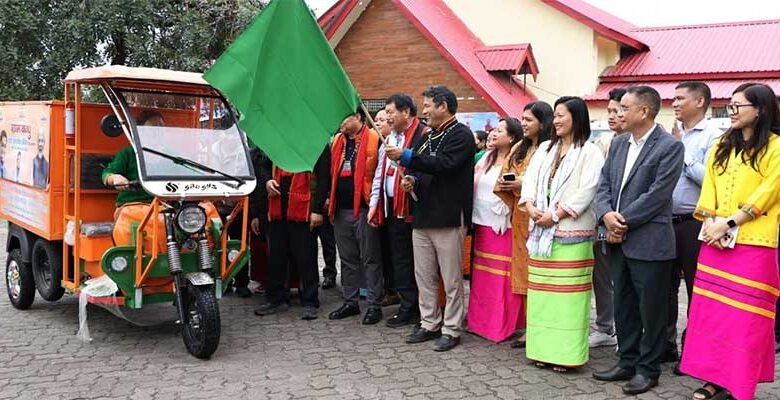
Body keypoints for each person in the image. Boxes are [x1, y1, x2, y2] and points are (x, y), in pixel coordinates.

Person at [679, 83, 780, 400]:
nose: (732, 112)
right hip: (715, 241)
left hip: (755, 243)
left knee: (745, 319)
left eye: (739, 106)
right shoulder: (723, 144)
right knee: (712, 315)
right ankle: (712, 379)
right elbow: (709, 185)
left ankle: (740, 382)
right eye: (731, 106)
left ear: (760, 109)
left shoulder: (776, 147)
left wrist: (730, 223)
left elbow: (769, 192)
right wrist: (710, 222)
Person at [592, 86, 684, 395]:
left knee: (651, 308)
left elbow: (658, 195)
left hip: (649, 239)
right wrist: (606, 215)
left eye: (624, 108)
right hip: (617, 237)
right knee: (625, 303)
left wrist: (622, 220)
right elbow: (603, 184)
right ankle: (626, 360)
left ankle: (648, 368)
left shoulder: (669, 146)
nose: (618, 113)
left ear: (643, 111)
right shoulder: (619, 144)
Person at [385, 85, 475, 352]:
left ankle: (452, 328)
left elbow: (444, 165)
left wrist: (408, 157)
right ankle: (429, 322)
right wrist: (411, 180)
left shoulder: (461, 135)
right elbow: (424, 169)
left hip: (448, 215)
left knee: (451, 278)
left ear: (443, 106)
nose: (423, 111)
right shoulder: (427, 136)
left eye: (427, 106)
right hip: (423, 216)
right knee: (423, 275)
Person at [519, 96, 604, 372]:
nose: (555, 120)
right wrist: (531, 206)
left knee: (569, 299)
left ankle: (566, 356)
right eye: (554, 115)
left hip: (571, 234)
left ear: (576, 117)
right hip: (541, 233)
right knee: (543, 297)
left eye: (560, 115)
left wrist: (556, 215)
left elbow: (588, 190)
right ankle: (542, 350)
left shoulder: (590, 152)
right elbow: (530, 180)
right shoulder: (544, 148)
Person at [665, 81, 722, 373]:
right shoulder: (675, 134)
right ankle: (666, 346)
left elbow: (710, 179)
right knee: (665, 287)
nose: (674, 103)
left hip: (694, 222)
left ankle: (693, 352)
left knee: (696, 289)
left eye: (679, 98)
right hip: (666, 221)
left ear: (700, 102)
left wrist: (681, 153)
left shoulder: (714, 136)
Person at [495, 102, 553, 349]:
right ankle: (531, 327)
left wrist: (524, 186)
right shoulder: (519, 147)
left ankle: (546, 327)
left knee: (543, 273)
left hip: (544, 217)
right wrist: (512, 186)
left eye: (529, 119)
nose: (524, 124)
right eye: (523, 119)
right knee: (525, 273)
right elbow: (503, 175)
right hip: (520, 218)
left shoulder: (552, 147)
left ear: (543, 121)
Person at [369, 94, 427, 328]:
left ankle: (418, 307)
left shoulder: (422, 135)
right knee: (399, 260)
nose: (387, 117)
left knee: (417, 262)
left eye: (391, 112)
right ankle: (407, 304)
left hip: (415, 208)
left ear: (406, 113)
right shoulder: (390, 137)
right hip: (393, 208)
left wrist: (413, 180)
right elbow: (379, 174)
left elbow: (426, 167)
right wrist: (375, 204)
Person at [252, 146, 330, 320]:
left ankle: (310, 300)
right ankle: (276, 298)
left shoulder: (317, 142)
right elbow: (260, 164)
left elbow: (324, 178)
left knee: (306, 256)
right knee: (276, 256)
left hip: (304, 207)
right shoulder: (278, 140)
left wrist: (317, 210)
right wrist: (267, 181)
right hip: (277, 204)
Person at [467, 117, 525, 342]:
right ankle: (479, 321)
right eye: (493, 129)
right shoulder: (485, 158)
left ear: (511, 137)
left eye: (499, 130)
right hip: (481, 222)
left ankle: (502, 324)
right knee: (482, 277)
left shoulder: (516, 161)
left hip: (503, 225)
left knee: (502, 279)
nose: (492, 133)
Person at [327, 109, 384, 325]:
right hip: (340, 210)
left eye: (345, 117)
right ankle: (350, 301)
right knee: (347, 258)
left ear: (359, 118)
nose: (340, 122)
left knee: (370, 259)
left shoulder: (374, 139)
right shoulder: (337, 141)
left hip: (364, 208)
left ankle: (374, 305)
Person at [590, 88, 626, 349]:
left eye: (617, 111)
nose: (612, 116)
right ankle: (605, 326)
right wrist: (605, 215)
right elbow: (601, 186)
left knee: (628, 280)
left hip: (631, 223)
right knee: (602, 275)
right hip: (603, 221)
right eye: (610, 111)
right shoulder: (604, 143)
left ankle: (630, 331)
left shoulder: (652, 143)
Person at [102, 110, 161, 205]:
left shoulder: (171, 155)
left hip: (164, 205)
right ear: (141, 131)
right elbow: (107, 174)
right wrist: (115, 178)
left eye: (161, 127)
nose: (158, 132)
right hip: (132, 204)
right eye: (153, 128)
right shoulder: (127, 153)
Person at [373, 108, 401, 306]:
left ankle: (398, 290)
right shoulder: (379, 145)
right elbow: (377, 177)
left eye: (383, 119)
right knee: (384, 249)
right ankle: (389, 287)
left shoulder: (398, 142)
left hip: (398, 204)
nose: (380, 122)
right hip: (383, 203)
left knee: (397, 251)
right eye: (376, 120)